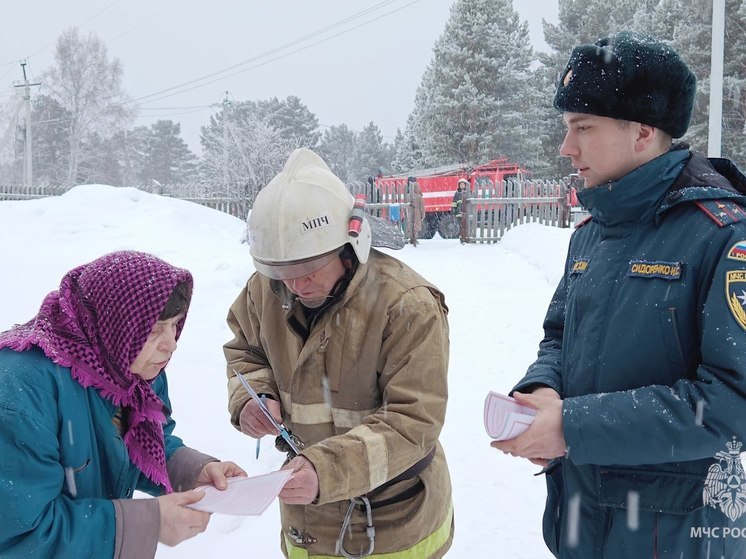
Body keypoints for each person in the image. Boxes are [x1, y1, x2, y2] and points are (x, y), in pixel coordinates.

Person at [492, 31, 746, 558]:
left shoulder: (724, 237)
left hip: (677, 536)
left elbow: (731, 404)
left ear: (643, 132)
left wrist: (573, 427)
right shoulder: (591, 233)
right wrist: (544, 390)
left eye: (583, 127)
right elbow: (559, 336)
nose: (567, 147)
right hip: (581, 525)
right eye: (567, 128)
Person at [225, 148, 453, 558]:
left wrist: (325, 470)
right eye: (280, 271)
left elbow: (413, 420)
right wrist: (252, 397)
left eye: (309, 267)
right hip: (307, 525)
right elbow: (246, 351)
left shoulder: (407, 305)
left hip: (393, 524)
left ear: (350, 244)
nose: (295, 284)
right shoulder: (264, 290)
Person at [0, 251, 246, 558]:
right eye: (154, 330)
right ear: (114, 326)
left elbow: (141, 442)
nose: (171, 344)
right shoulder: (20, 391)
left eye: (174, 325)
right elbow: (21, 534)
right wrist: (147, 523)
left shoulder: (130, 369)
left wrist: (192, 470)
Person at [406, 175, 426, 245]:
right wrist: (423, 214)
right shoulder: (420, 197)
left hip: (410, 212)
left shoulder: (408, 195)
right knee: (416, 226)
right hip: (417, 213)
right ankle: (415, 239)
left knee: (410, 225)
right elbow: (422, 207)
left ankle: (411, 238)